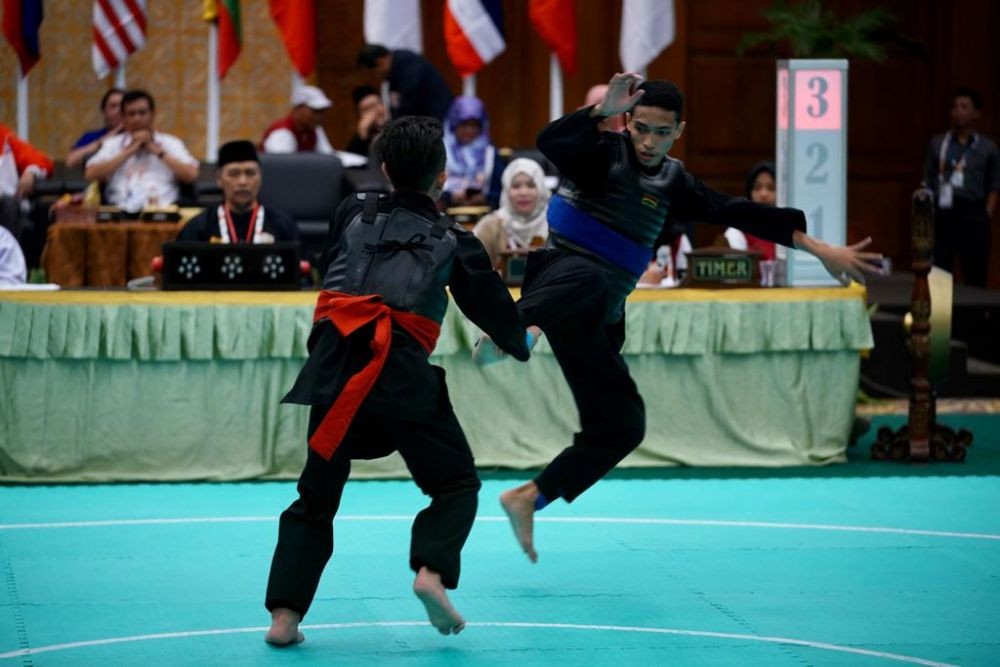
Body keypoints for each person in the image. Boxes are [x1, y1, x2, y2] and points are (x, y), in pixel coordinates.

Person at [475, 73, 883, 564]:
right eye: (641, 128)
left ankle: (529, 497)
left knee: (624, 425)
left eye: (661, 133)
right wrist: (599, 112)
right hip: (560, 278)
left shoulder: (675, 182)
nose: (649, 142)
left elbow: (739, 212)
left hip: (599, 314)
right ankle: (512, 332)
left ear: (678, 132)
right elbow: (550, 142)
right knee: (585, 277)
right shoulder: (603, 152)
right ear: (628, 122)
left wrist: (817, 248)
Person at [263, 116, 532, 645]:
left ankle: (284, 617)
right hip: (400, 371)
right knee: (455, 485)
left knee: (315, 498)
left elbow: (334, 265)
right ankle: (430, 572)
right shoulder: (456, 239)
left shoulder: (351, 210)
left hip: (335, 363)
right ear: (443, 176)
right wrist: (522, 341)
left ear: (384, 169)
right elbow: (497, 314)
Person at [923, 87, 999, 287]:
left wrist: (986, 215)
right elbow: (928, 180)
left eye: (965, 107)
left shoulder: (987, 147)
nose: (959, 112)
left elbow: (994, 184)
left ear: (976, 113)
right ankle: (940, 318)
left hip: (973, 212)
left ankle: (978, 317)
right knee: (939, 273)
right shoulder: (939, 143)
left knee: (975, 272)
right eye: (955, 107)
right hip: (944, 212)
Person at [84, 90, 198, 211]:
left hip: (161, 212)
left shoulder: (170, 143)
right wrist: (127, 152)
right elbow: (90, 174)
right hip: (120, 212)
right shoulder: (113, 144)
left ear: (152, 115)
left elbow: (191, 174)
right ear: (123, 118)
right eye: (131, 114)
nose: (137, 118)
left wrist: (158, 152)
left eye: (142, 113)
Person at [176, 140, 299, 244]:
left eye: (250, 173)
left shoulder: (282, 225)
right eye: (233, 174)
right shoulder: (200, 226)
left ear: (260, 177)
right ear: (219, 179)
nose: (242, 181)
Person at [473, 158, 550, 269]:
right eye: (516, 186)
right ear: (506, 190)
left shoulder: (553, 225)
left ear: (541, 189)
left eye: (531, 185)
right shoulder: (490, 225)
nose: (523, 193)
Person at [357, 44, 453, 121]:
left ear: (381, 63)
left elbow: (409, 107)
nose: (370, 79)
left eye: (371, 74)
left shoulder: (409, 67)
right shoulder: (394, 70)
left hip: (439, 121)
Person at [443, 96, 504, 209]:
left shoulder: (490, 153)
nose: (469, 130)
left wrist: (486, 198)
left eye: (474, 125)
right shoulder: (441, 150)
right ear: (454, 124)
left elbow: (501, 190)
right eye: (464, 124)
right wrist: (448, 197)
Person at [0, 123, 53, 242]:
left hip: (5, 204)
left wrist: (31, 173)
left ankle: (8, 259)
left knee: (9, 203)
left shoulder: (4, 138)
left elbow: (41, 160)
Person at [720, 162, 779, 260]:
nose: (764, 194)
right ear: (749, 194)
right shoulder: (737, 231)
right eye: (757, 188)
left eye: (771, 188)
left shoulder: (791, 229)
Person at [261, 86, 336, 155]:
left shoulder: (314, 129)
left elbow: (327, 156)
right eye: (315, 111)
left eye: (322, 112)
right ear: (298, 108)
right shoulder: (282, 132)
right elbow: (282, 166)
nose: (319, 117)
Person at [66, 88, 124, 168]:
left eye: (122, 106)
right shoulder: (92, 136)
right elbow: (71, 161)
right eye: (113, 106)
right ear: (104, 112)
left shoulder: (138, 136)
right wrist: (104, 140)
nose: (118, 111)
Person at [345, 85, 388, 160]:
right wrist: (362, 133)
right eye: (367, 109)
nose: (374, 112)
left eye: (376, 105)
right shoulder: (359, 140)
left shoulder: (400, 127)